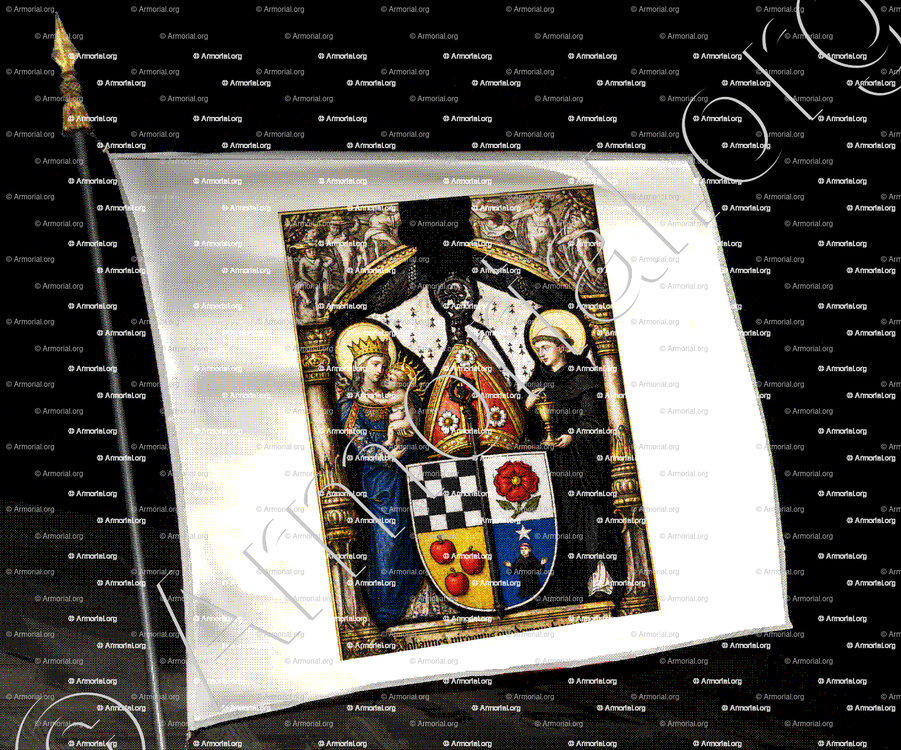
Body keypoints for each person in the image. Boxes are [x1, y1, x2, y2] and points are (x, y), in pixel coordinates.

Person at [523, 325, 625, 605]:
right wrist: (527, 408)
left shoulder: (583, 378)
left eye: (546, 347)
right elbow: (528, 432)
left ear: (562, 347)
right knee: (563, 523)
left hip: (582, 463)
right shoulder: (536, 383)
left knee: (589, 519)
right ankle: (568, 587)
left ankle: (599, 581)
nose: (541, 353)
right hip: (552, 467)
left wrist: (573, 435)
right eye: (537, 349)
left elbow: (595, 420)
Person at [338, 338, 424, 628]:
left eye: (384, 365)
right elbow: (359, 443)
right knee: (387, 536)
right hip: (379, 480)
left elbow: (413, 429)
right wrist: (386, 456)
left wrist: (405, 447)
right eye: (375, 363)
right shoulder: (350, 403)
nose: (380, 370)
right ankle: (386, 606)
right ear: (360, 366)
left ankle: (410, 594)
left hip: (404, 473)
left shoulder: (394, 395)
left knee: (409, 532)